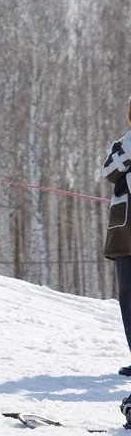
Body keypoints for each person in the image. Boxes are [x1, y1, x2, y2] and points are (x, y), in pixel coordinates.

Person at [102, 93, 131, 377]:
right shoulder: (121, 144)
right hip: (125, 235)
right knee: (128, 297)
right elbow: (109, 172)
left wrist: (127, 179)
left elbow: (121, 180)